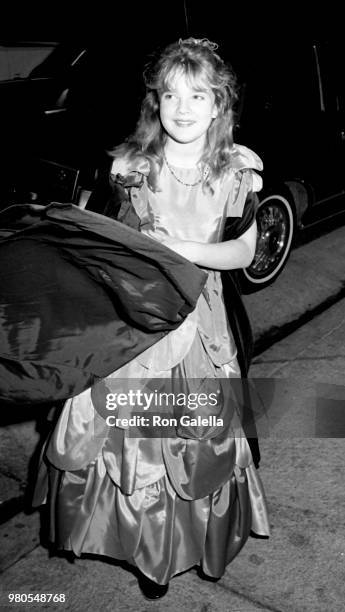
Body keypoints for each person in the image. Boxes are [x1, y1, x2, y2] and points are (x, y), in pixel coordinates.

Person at [34, 37, 270, 600]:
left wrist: (178, 247)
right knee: (128, 441)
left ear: (220, 105)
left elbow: (240, 253)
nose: (182, 108)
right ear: (155, 102)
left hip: (200, 325)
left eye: (198, 95)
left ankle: (174, 547)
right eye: (170, 95)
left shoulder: (238, 172)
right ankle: (142, 546)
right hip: (132, 323)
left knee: (189, 441)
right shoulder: (128, 168)